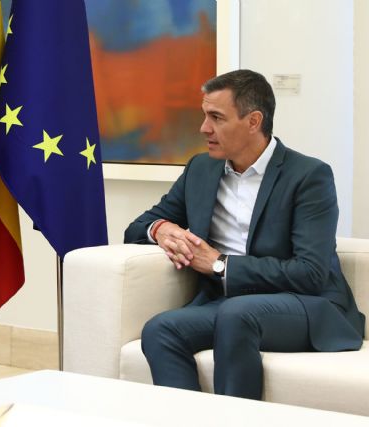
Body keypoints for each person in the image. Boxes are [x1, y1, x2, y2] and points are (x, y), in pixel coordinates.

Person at [124, 69, 365, 399]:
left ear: (253, 121)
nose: (204, 128)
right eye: (204, 115)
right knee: (161, 329)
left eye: (216, 117)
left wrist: (220, 265)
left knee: (237, 314)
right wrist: (162, 228)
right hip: (229, 305)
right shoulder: (201, 169)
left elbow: (310, 272)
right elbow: (137, 227)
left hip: (307, 305)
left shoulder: (308, 176)